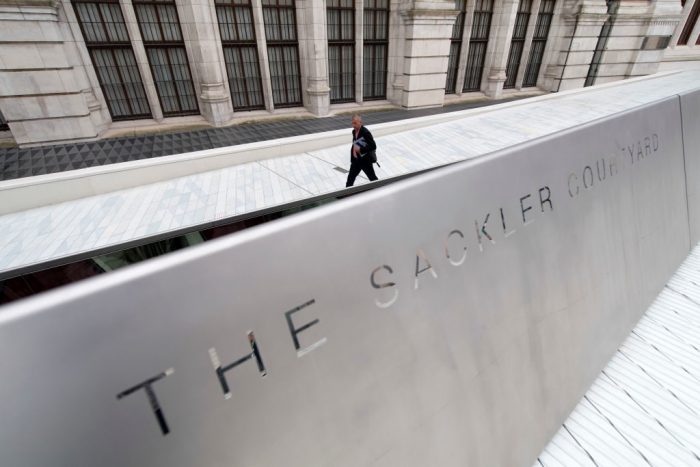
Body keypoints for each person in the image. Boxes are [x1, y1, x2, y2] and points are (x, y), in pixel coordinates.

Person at [346, 114, 379, 187]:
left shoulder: (365, 132)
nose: (353, 125)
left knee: (372, 178)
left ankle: (380, 190)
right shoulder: (354, 131)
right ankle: (346, 194)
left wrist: (360, 149)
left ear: (360, 122)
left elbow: (373, 146)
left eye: (355, 123)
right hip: (356, 160)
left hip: (365, 161)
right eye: (352, 123)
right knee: (350, 178)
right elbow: (355, 143)